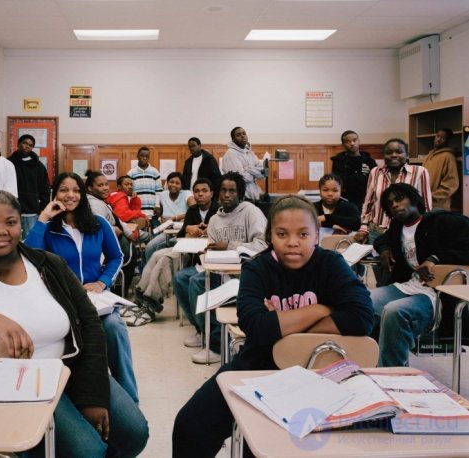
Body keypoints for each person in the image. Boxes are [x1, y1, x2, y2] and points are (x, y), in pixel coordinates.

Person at [0, 190, 148, 458]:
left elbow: (89, 321)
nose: (1, 231)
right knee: (88, 452)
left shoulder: (48, 264)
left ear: (21, 225)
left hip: (70, 368)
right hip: (13, 384)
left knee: (135, 433)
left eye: (10, 222)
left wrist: (94, 395)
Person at [172, 195, 374, 458]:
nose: (292, 242)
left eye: (303, 234)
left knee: (265, 444)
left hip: (323, 369)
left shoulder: (331, 264)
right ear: (270, 237)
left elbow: (362, 317)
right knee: (190, 425)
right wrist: (321, 309)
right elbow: (256, 328)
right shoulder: (258, 268)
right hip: (261, 363)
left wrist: (283, 324)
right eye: (282, 234)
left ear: (316, 236)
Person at [25, 172, 140, 404]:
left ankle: (130, 397)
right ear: (54, 194)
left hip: (96, 299)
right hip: (61, 301)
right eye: (64, 190)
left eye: (76, 190)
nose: (70, 195)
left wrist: (101, 282)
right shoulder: (48, 229)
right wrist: (43, 219)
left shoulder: (98, 224)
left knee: (116, 327)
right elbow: (29, 257)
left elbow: (116, 257)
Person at [370, 183, 469, 367]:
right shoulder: (397, 226)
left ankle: (394, 376)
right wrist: (384, 248)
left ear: (414, 199)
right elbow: (382, 238)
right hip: (409, 285)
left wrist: (436, 258)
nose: (395, 205)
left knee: (395, 312)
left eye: (400, 199)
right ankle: (370, 364)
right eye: (390, 203)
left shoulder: (441, 221)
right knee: (364, 301)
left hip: (437, 293)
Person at [174, 172, 267, 364]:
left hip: (247, 269)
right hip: (220, 267)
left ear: (240, 194)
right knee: (181, 278)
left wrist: (230, 246)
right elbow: (215, 247)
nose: (227, 195)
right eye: (223, 190)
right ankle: (202, 330)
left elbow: (263, 244)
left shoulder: (251, 212)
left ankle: (216, 345)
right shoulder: (215, 219)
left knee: (198, 283)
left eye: (232, 191)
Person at [125, 178, 219, 326]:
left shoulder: (218, 210)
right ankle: (140, 299)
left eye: (204, 191)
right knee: (156, 254)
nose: (200, 194)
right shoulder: (193, 210)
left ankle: (150, 306)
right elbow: (182, 234)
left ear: (212, 193)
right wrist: (188, 229)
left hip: (203, 254)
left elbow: (218, 237)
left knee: (165, 259)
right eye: (197, 191)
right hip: (189, 247)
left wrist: (207, 231)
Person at [354, 138, 432, 254]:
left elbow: (425, 205)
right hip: (377, 232)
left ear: (407, 154)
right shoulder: (375, 172)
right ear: (384, 155)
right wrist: (364, 227)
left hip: (407, 232)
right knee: (379, 268)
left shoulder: (420, 172)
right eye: (389, 152)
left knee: (404, 267)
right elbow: (368, 203)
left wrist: (424, 230)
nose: (393, 155)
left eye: (399, 152)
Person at [85, 170, 138, 293]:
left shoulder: (100, 201)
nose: (105, 188)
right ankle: (119, 292)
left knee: (132, 253)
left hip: (118, 237)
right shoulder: (94, 204)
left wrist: (129, 233)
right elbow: (97, 226)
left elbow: (116, 218)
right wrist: (113, 230)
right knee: (129, 257)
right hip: (108, 244)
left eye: (106, 184)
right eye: (100, 185)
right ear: (90, 188)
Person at [143, 172, 195, 264]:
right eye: (171, 182)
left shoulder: (186, 194)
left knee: (168, 248)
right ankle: (149, 273)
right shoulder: (163, 195)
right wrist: (159, 214)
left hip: (183, 232)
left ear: (181, 185)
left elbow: (195, 210)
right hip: (167, 231)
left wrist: (176, 218)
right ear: (167, 183)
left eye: (177, 183)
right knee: (150, 247)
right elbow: (161, 213)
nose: (174, 185)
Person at [8, 133, 51, 238]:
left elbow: (45, 188)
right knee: (11, 241)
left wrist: (41, 208)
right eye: (25, 143)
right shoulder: (8, 163)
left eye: (30, 145)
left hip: (31, 213)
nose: (27, 146)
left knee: (30, 243)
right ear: (18, 144)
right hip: (11, 211)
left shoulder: (39, 166)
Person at [330, 130, 377, 212]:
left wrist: (352, 178)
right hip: (346, 200)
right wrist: (363, 177)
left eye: (354, 140)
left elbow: (376, 179)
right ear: (343, 144)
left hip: (367, 199)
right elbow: (339, 181)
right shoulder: (339, 161)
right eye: (347, 141)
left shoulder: (369, 160)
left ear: (359, 141)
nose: (352, 143)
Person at [221, 126, 264, 201]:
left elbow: (262, 172)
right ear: (233, 139)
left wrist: (247, 169)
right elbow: (240, 178)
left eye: (244, 133)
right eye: (238, 135)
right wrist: (254, 174)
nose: (242, 136)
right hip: (240, 198)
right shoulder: (231, 154)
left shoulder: (249, 152)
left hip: (254, 196)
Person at [422, 128, 459, 210]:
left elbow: (451, 184)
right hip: (424, 203)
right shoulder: (428, 156)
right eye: (438, 136)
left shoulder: (448, 157)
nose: (438, 139)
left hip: (439, 206)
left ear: (448, 140)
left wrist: (432, 196)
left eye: (443, 138)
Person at [127, 146, 163, 219]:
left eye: (147, 156)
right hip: (137, 211)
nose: (144, 158)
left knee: (154, 230)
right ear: (137, 156)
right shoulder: (131, 173)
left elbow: (159, 191)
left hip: (152, 211)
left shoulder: (155, 172)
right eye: (142, 156)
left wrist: (157, 205)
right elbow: (128, 192)